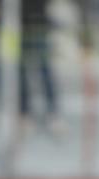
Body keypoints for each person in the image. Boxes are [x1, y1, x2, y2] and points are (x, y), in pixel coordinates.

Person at [19, 0, 61, 131]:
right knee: (19, 72)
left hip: (38, 23)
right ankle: (24, 111)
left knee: (44, 70)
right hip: (16, 26)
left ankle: (52, 112)